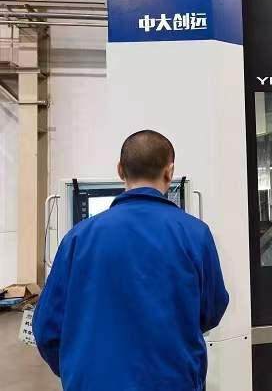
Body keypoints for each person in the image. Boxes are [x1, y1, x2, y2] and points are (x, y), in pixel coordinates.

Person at [33, 130, 229, 391]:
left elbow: (47, 329)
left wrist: (78, 369)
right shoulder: (196, 234)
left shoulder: (78, 238)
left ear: (120, 170)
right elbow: (211, 311)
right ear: (169, 172)